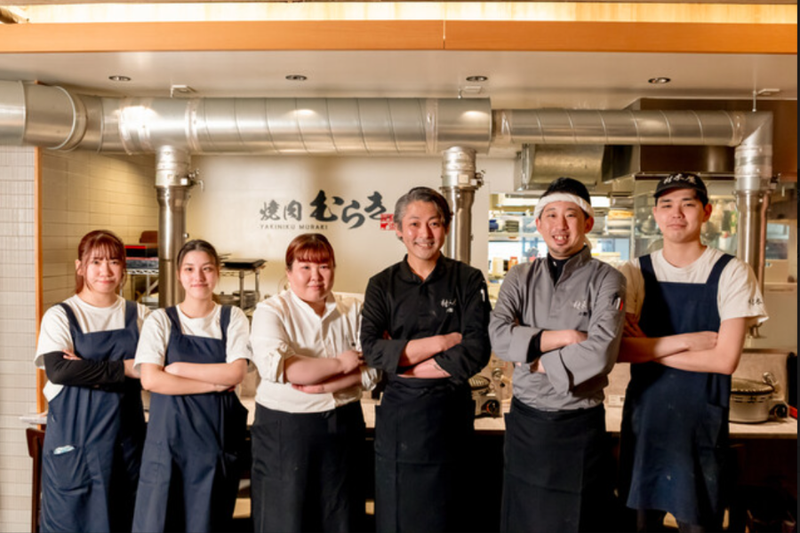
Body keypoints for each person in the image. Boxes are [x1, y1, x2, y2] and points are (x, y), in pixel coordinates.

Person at [617, 172, 768, 532]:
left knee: (700, 524)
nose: (676, 213)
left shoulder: (733, 272)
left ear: (706, 211)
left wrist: (650, 348)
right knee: (638, 524)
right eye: (667, 205)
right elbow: (620, 350)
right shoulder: (634, 272)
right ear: (655, 214)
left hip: (701, 424)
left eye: (687, 204)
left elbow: (724, 360)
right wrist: (690, 340)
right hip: (646, 423)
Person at [489, 177, 626, 533]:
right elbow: (498, 338)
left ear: (588, 222)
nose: (559, 225)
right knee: (521, 520)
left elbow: (600, 354)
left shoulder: (607, 279)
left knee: (576, 521)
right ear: (538, 223)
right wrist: (565, 337)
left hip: (578, 426)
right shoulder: (519, 277)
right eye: (550, 215)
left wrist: (531, 357)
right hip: (526, 423)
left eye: (570, 215)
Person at [360, 186, 492, 533]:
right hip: (400, 417)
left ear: (446, 227)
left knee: (451, 513)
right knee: (398, 514)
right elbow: (372, 349)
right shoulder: (381, 284)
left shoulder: (468, 279)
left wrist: (406, 363)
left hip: (450, 415)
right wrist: (444, 340)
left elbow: (477, 348)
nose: (425, 233)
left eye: (434, 223)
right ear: (398, 229)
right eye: (414, 224)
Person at [249, 233, 380, 533]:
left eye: (324, 266)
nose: (316, 276)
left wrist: (323, 385)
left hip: (343, 424)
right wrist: (343, 363)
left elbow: (374, 371)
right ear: (289, 272)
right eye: (305, 267)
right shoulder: (271, 311)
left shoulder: (354, 309)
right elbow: (282, 369)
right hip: (284, 430)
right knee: (284, 521)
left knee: (342, 518)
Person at [132, 239, 251, 533]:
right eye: (189, 269)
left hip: (213, 452)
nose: (198, 277)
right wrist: (213, 384)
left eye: (206, 268)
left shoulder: (231, 317)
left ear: (217, 272)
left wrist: (178, 369)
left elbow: (236, 372)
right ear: (179, 274)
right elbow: (151, 379)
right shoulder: (160, 320)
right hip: (166, 451)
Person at [34, 229, 149, 533]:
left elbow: (155, 368)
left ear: (123, 267)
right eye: (96, 262)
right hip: (75, 451)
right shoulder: (60, 316)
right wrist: (125, 368)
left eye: (114, 261)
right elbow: (60, 371)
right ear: (80, 267)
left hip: (126, 448)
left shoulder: (141, 315)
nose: (105, 271)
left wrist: (85, 368)